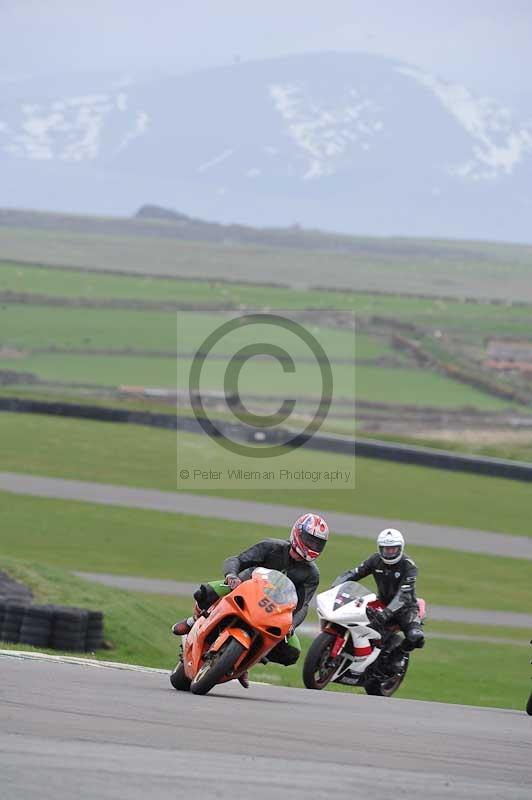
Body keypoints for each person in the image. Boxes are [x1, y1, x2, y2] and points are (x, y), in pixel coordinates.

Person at [172, 513, 329, 687]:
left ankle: (246, 661)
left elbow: (303, 605)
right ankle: (193, 621)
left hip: (274, 610)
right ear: (298, 532)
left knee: (292, 652)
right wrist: (232, 575)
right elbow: (236, 560)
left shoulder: (312, 575)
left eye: (317, 543)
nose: (312, 546)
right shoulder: (271, 547)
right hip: (243, 588)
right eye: (310, 539)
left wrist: (292, 625)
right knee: (205, 591)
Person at [333, 528, 425, 671]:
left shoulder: (408, 566)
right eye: (386, 549)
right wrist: (336, 586)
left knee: (416, 637)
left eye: (393, 549)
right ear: (380, 548)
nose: (389, 553)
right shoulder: (375, 560)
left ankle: (399, 655)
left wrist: (386, 613)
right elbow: (354, 573)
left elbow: (403, 595)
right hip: (381, 603)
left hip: (406, 610)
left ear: (400, 548)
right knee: (356, 619)